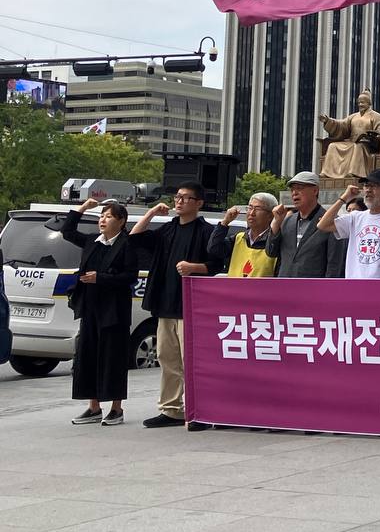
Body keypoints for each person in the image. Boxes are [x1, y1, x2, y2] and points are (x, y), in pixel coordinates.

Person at [130, 182, 218, 430]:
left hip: (191, 307)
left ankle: (200, 411)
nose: (179, 201)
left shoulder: (206, 232)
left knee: (191, 361)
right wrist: (151, 213)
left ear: (199, 203)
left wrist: (194, 268)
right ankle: (171, 410)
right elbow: (135, 237)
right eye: (177, 197)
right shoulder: (168, 229)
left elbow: (217, 264)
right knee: (166, 358)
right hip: (165, 304)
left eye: (186, 198)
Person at [59, 199, 138, 427]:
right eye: (101, 216)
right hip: (90, 308)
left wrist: (100, 278)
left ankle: (116, 408)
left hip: (114, 312)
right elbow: (67, 231)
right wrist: (82, 208)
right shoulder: (92, 242)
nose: (103, 220)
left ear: (121, 221)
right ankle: (93, 406)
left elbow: (130, 276)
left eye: (109, 216)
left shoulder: (126, 244)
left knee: (113, 359)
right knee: (88, 356)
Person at [317, 168, 380, 278]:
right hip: (355, 286)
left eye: (374, 186)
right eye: (366, 185)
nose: (368, 190)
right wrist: (344, 197)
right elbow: (323, 225)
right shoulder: (355, 217)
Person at [270, 171, 345, 278]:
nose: (294, 193)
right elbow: (271, 252)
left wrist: (328, 287)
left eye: (299, 188)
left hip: (313, 286)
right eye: (292, 189)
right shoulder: (287, 220)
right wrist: (276, 223)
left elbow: (334, 264)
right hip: (285, 284)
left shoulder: (330, 222)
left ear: (315, 190)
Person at [318, 89, 380, 179]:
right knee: (333, 146)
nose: (360, 105)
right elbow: (341, 125)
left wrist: (374, 134)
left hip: (367, 144)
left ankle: (353, 172)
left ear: (369, 103)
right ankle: (327, 172)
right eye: (359, 102)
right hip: (351, 142)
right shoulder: (353, 116)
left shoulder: (376, 116)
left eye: (363, 102)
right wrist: (328, 121)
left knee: (358, 147)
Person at [209, 193, 277, 279]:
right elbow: (213, 248)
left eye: (257, 209)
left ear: (270, 215)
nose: (251, 213)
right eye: (250, 208)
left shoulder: (274, 242)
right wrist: (225, 222)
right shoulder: (239, 238)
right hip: (234, 287)